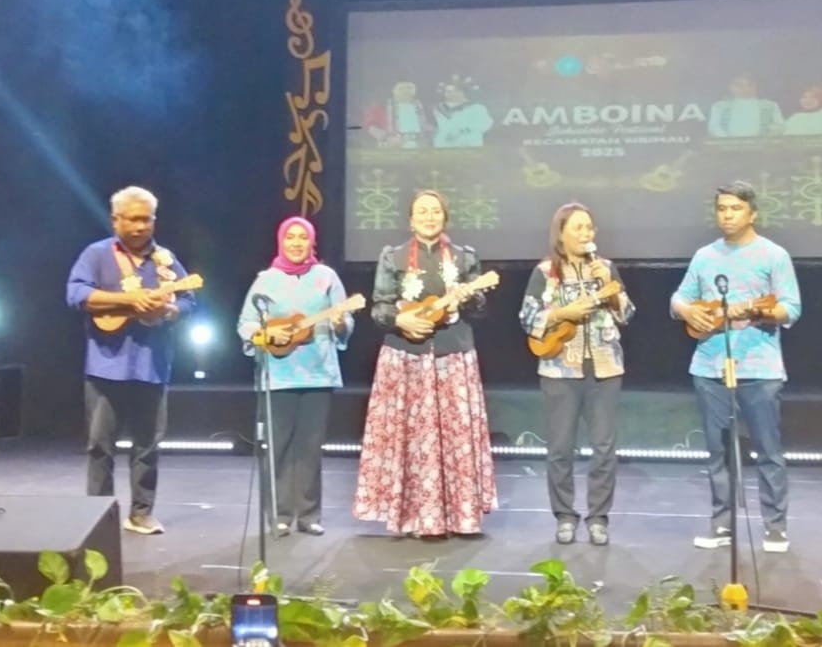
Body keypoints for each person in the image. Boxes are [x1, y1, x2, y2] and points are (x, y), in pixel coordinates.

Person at [352, 190, 496, 536]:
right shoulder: (393, 257)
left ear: (445, 217)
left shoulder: (464, 258)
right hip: (405, 358)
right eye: (422, 212)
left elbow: (480, 310)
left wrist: (467, 299)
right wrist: (400, 320)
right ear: (411, 220)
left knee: (455, 439)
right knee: (410, 439)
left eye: (435, 211)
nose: (429, 217)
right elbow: (379, 307)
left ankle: (459, 516)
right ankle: (411, 517)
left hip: (453, 356)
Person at [669, 181, 802, 553]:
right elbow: (678, 298)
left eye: (735, 208)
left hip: (760, 368)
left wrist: (760, 311)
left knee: (768, 450)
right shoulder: (704, 256)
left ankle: (775, 527)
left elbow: (791, 307)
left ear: (752, 213)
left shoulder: (773, 255)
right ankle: (721, 524)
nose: (727, 215)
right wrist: (687, 310)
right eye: (722, 209)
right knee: (718, 452)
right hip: (709, 366)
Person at [66, 186, 196, 535]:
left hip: (152, 364)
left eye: (147, 219)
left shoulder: (165, 260)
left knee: (148, 446)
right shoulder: (97, 254)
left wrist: (169, 310)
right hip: (106, 365)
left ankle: (142, 514)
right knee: (100, 446)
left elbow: (188, 301)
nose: (141, 226)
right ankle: (99, 516)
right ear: (116, 220)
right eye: (134, 219)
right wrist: (127, 301)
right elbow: (76, 294)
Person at [519, 203, 634, 546]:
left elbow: (627, 314)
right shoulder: (545, 272)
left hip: (605, 367)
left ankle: (598, 517)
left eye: (589, 228)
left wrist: (611, 291)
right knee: (560, 448)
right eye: (578, 228)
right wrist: (562, 313)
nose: (586, 234)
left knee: (604, 448)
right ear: (562, 234)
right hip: (559, 369)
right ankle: (565, 515)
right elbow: (527, 317)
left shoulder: (606, 269)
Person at [236, 216, 354, 536]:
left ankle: (309, 514)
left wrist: (341, 322)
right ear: (281, 241)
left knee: (311, 448)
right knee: (278, 448)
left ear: (312, 242)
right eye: (291, 237)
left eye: (303, 237)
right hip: (278, 376)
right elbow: (246, 323)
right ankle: (280, 514)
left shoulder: (326, 277)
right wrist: (266, 334)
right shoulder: (266, 280)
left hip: (318, 374)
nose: (297, 243)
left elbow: (345, 321)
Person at [707, 74, 784, 138]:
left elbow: (780, 126)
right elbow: (714, 128)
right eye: (739, 85)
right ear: (730, 87)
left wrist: (764, 139)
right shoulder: (719, 106)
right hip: (727, 147)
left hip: (763, 147)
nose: (745, 88)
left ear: (756, 86)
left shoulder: (770, 105)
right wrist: (731, 142)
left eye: (750, 85)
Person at [432, 75, 494, 148]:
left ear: (462, 92)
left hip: (469, 145)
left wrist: (463, 130)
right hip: (444, 145)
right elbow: (436, 127)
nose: (448, 94)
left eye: (452, 92)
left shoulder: (477, 108)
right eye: (447, 92)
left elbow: (485, 124)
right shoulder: (439, 109)